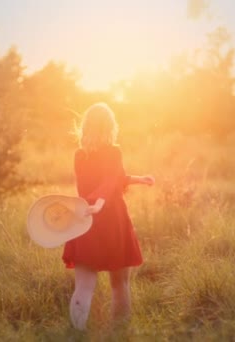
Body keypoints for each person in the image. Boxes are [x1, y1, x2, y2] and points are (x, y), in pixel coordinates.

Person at [62, 102, 154, 330]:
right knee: (120, 283)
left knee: (84, 286)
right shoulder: (113, 151)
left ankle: (77, 332)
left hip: (84, 217)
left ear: (86, 126)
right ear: (110, 126)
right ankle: (120, 330)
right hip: (112, 220)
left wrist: (139, 179)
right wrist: (101, 201)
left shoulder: (79, 155)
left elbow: (115, 177)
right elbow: (109, 181)